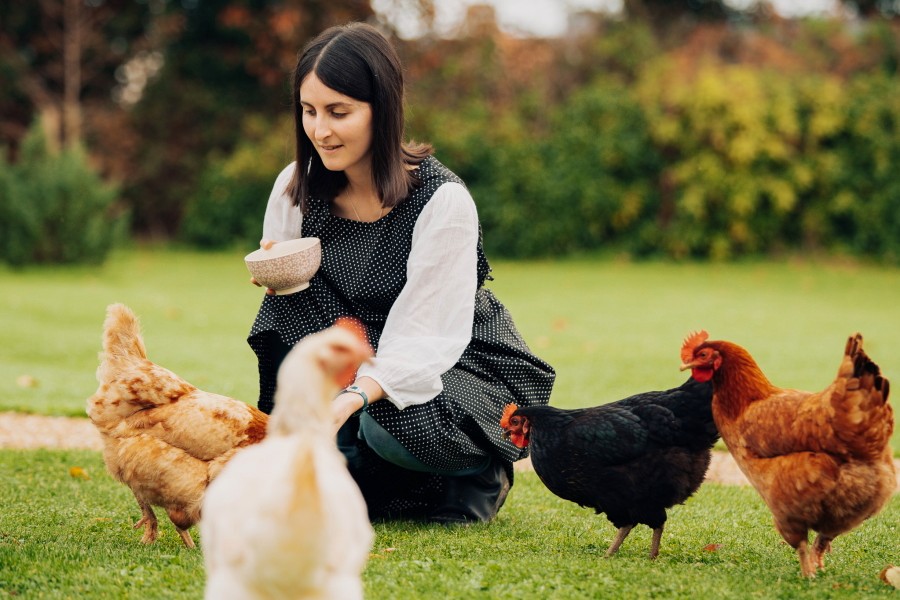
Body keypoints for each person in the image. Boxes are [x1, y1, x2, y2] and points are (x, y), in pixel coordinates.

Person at [247, 22, 555, 524]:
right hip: (352, 342)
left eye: (338, 112)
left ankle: (478, 474)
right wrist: (278, 273)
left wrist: (349, 401)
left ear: (382, 109)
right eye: (309, 111)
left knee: (387, 424)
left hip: (450, 359)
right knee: (283, 319)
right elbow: (294, 303)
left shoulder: (442, 200)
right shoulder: (296, 185)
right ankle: (374, 475)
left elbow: (424, 338)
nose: (320, 130)